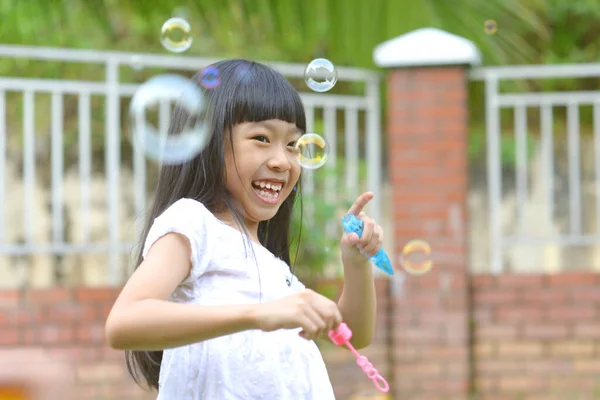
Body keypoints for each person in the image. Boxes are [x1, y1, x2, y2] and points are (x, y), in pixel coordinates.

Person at [105, 59, 384, 400]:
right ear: (207, 143)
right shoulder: (195, 223)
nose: (282, 160)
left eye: (293, 145)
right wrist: (259, 315)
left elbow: (352, 334)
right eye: (262, 138)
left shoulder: (273, 268)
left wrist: (355, 264)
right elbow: (124, 322)